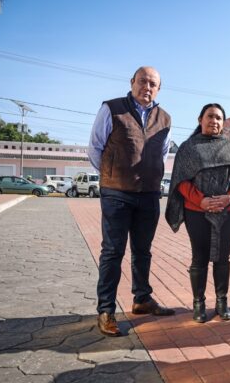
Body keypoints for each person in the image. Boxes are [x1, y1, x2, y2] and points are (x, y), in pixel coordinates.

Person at [88, 66, 174, 337]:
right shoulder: (112, 108)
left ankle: (142, 299)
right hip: (117, 193)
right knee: (113, 252)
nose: (147, 87)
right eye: (142, 81)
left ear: (158, 89)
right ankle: (106, 310)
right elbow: (95, 147)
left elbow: (161, 153)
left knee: (143, 251)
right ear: (132, 82)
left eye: (152, 84)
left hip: (148, 194)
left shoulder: (165, 118)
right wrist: (111, 175)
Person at [166, 103, 230, 323]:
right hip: (196, 211)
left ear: (224, 123)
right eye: (210, 116)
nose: (214, 121)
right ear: (200, 120)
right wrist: (201, 201)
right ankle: (199, 303)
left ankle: (222, 302)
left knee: (223, 257)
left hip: (228, 210)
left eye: (219, 118)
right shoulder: (189, 148)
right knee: (199, 257)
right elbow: (180, 180)